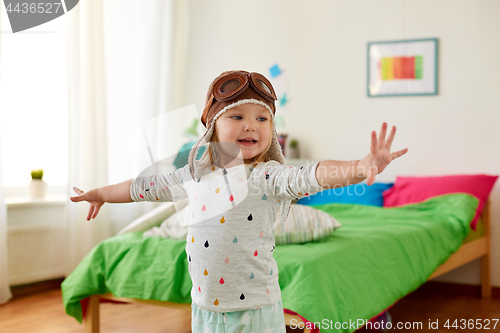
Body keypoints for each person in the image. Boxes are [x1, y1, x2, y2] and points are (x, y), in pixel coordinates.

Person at [70, 70, 408, 332]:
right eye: (237, 117)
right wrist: (101, 194)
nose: (251, 126)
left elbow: (313, 174)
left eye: (262, 119)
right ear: (212, 127)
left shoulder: (269, 177)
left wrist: (361, 168)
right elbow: (144, 186)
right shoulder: (193, 176)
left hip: (256, 311)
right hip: (205, 307)